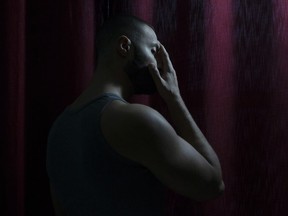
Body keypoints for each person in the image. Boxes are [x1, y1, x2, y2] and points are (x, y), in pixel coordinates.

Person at [46, 15, 225, 216]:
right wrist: (174, 98)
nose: (160, 65)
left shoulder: (58, 130)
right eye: (154, 51)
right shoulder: (137, 120)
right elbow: (212, 184)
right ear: (124, 46)